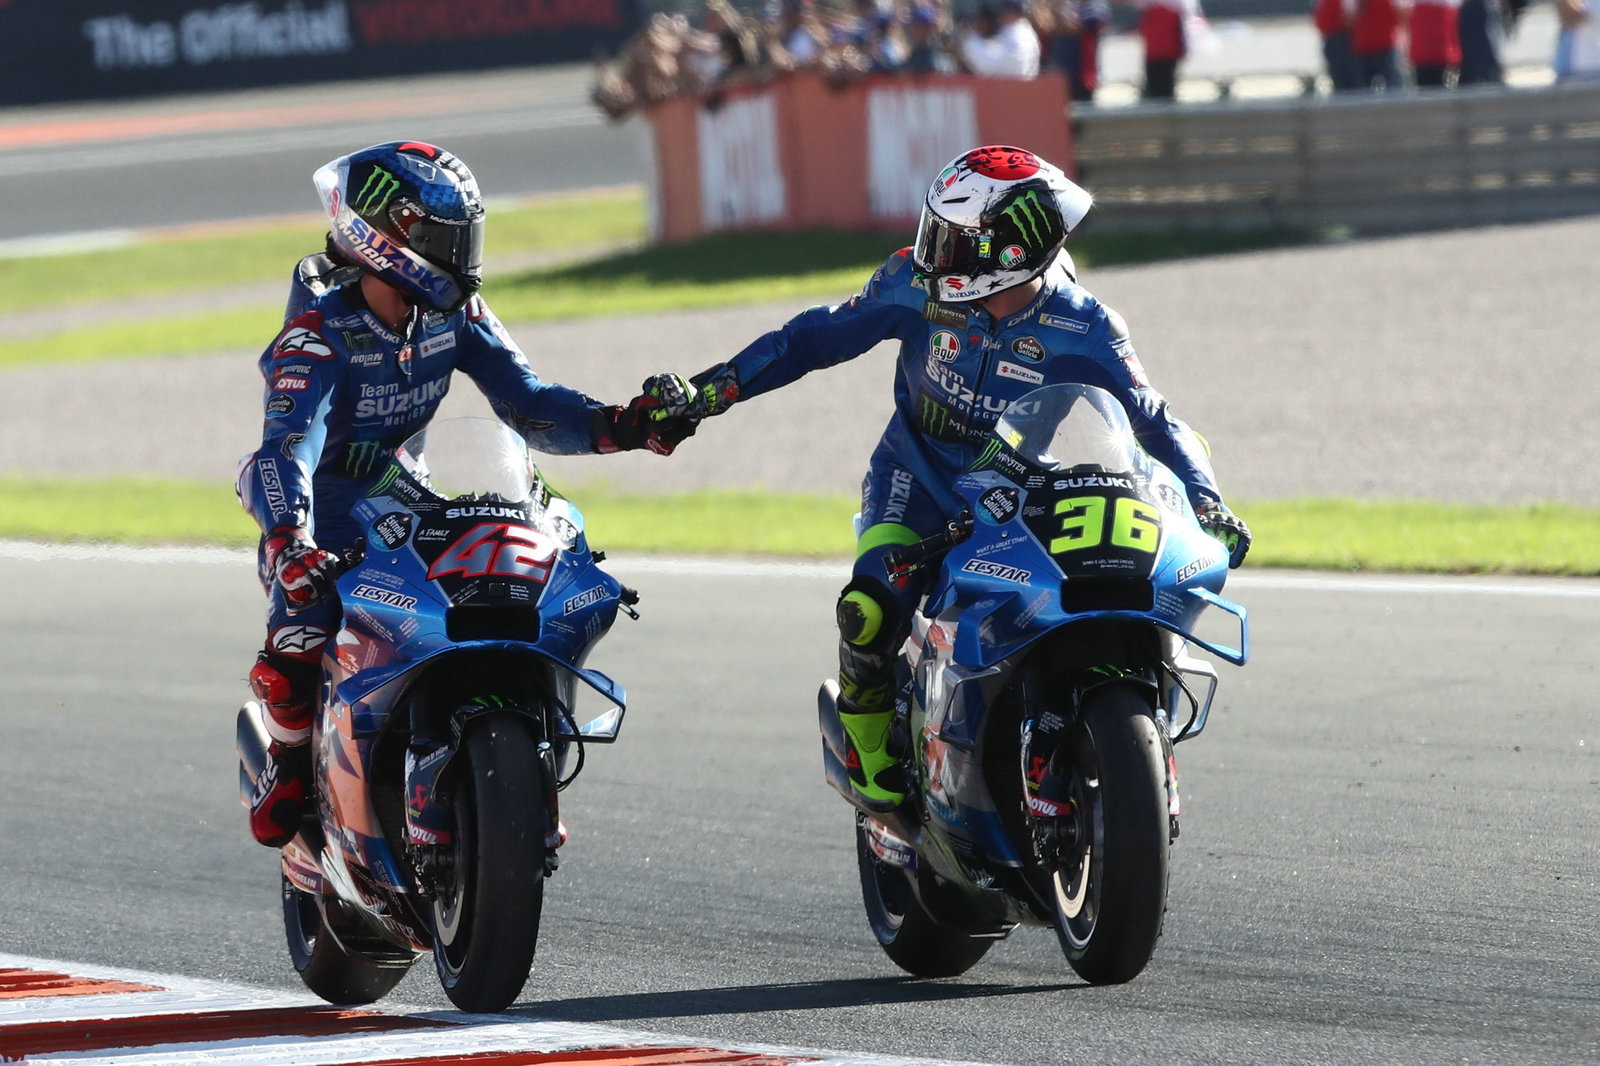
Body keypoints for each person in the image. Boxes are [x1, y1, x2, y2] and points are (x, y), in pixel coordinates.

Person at [631, 146, 1251, 811]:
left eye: (954, 242)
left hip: (1023, 492)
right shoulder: (911, 283)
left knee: (1098, 587)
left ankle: (1095, 731)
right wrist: (706, 394)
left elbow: (1155, 420)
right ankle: (873, 763)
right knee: (868, 612)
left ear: (1015, 250)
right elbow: (809, 339)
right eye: (936, 234)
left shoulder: (1087, 325)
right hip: (914, 478)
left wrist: (1209, 504)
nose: (933, 255)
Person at [236, 141, 694, 847]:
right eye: (443, 238)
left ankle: (520, 758)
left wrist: (619, 425)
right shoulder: (317, 339)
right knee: (301, 621)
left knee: (506, 578)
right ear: (384, 237)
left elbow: (530, 403)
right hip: (314, 511)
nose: (461, 254)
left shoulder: (456, 314)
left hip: (402, 494)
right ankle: (290, 762)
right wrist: (289, 539)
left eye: (464, 236)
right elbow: (286, 449)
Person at [1315, 0, 1365, 91]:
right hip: (1333, 39)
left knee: (1351, 78)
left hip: (1343, 39)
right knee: (1340, 78)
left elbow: (1350, 17)